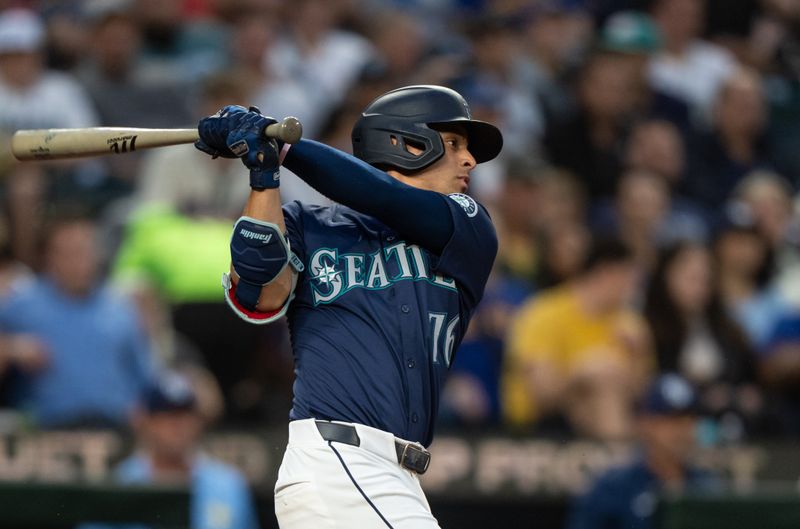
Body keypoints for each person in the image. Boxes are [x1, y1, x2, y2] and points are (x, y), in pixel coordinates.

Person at [192, 85, 502, 527]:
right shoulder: (307, 224)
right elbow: (259, 296)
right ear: (406, 143)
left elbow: (383, 197)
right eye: (454, 144)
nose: (470, 160)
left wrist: (283, 147)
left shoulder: (469, 226)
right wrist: (263, 171)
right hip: (337, 462)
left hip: (397, 476)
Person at [0, 214, 155, 428]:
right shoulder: (20, 304)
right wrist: (11, 348)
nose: (79, 262)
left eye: (85, 251)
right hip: (47, 433)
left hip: (114, 430)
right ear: (49, 257)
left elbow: (144, 377)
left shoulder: (121, 308)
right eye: (69, 253)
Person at [503, 238, 653, 441]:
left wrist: (637, 355)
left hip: (603, 418)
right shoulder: (544, 313)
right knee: (597, 388)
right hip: (537, 423)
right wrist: (580, 372)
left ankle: (616, 458)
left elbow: (640, 397)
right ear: (606, 273)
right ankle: (617, 459)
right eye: (629, 281)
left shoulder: (629, 325)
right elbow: (539, 394)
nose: (632, 291)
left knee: (605, 390)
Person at [81, 371, 259, 529]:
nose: (178, 426)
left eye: (185, 415)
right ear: (146, 422)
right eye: (167, 416)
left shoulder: (228, 485)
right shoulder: (119, 487)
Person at [566, 373, 719, 529]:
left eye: (688, 419)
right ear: (645, 423)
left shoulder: (708, 489)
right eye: (670, 419)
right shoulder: (613, 488)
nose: (681, 430)